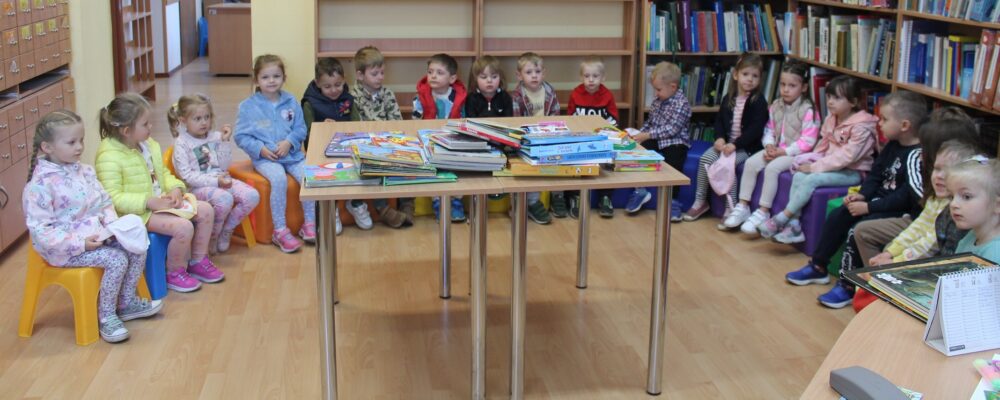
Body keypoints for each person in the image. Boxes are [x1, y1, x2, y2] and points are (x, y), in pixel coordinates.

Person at [25, 110, 162, 343]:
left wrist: (112, 226)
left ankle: (126, 303)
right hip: (65, 250)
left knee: (137, 245)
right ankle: (107, 316)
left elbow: (104, 201)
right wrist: (80, 243)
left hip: (97, 236)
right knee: (116, 259)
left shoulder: (84, 171)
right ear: (47, 147)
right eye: (71, 142)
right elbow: (42, 231)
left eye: (81, 140)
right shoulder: (39, 186)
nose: (79, 147)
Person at [783, 90, 928, 309]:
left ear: (905, 125)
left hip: (896, 210)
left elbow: (906, 197)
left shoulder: (918, 155)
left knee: (856, 230)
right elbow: (875, 174)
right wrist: (862, 194)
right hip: (875, 201)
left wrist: (868, 207)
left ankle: (848, 285)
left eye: (885, 119)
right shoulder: (893, 144)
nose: (879, 123)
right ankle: (818, 266)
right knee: (839, 214)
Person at [96, 93, 220, 292]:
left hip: (159, 204)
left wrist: (175, 189)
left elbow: (162, 174)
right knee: (183, 227)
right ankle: (174, 272)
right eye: (145, 124)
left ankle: (198, 260)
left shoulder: (148, 145)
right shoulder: (109, 156)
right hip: (136, 215)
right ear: (127, 131)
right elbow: (112, 198)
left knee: (206, 210)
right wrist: (147, 202)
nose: (151, 127)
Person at [722, 61, 818, 233]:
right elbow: (769, 130)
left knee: (772, 168)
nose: (786, 89)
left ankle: (763, 211)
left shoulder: (808, 110)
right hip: (776, 149)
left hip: (796, 155)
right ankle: (743, 206)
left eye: (792, 86)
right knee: (751, 163)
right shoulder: (776, 105)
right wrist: (769, 146)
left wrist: (784, 151)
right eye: (782, 84)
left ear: (804, 87)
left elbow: (808, 141)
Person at [234, 54, 316, 253]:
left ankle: (310, 223)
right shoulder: (248, 107)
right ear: (256, 80)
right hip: (266, 158)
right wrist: (260, 149)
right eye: (265, 77)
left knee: (309, 177)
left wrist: (289, 142)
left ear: (283, 78)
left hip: (292, 155)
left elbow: (301, 128)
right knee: (278, 180)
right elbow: (241, 136)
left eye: (276, 76)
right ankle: (280, 230)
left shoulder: (291, 101)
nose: (271, 81)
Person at [681, 53, 769, 223]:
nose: (750, 79)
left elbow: (755, 130)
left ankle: (731, 207)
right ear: (736, 75)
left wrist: (735, 145)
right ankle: (700, 201)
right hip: (727, 145)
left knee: (729, 165)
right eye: (745, 74)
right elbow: (719, 122)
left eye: (755, 76)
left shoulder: (759, 101)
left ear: (760, 79)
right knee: (705, 159)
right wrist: (720, 138)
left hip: (746, 148)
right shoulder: (728, 98)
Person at [169, 93, 261, 253]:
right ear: (183, 120)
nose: (204, 122)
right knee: (224, 199)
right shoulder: (182, 143)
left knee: (252, 196)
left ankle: (226, 229)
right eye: (197, 119)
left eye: (207, 117)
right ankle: (212, 236)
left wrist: (224, 142)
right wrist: (215, 182)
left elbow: (225, 166)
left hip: (221, 181)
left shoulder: (216, 137)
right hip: (197, 188)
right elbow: (187, 177)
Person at [348, 46, 409, 228]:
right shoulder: (353, 97)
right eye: (375, 74)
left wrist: (390, 139)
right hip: (365, 144)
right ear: (360, 75)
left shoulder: (387, 94)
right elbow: (355, 126)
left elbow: (396, 121)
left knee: (405, 157)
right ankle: (382, 208)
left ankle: (407, 203)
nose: (380, 77)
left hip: (387, 141)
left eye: (382, 73)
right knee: (372, 163)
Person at [624, 61, 692, 221]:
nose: (656, 93)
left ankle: (672, 201)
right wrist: (639, 134)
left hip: (675, 141)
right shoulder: (657, 101)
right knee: (638, 152)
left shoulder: (682, 104)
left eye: (659, 89)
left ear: (673, 87)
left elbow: (672, 129)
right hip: (655, 138)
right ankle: (640, 190)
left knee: (674, 163)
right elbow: (651, 122)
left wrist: (648, 135)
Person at [414, 53, 468, 222]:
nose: (433, 76)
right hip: (430, 142)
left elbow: (464, 121)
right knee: (433, 170)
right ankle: (438, 202)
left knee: (460, 169)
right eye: (430, 72)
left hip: (453, 141)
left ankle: (456, 202)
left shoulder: (459, 97)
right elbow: (415, 123)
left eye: (439, 72)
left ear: (452, 78)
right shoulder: (420, 97)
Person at [511, 52, 562, 224]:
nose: (534, 76)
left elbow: (555, 114)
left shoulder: (549, 91)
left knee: (561, 158)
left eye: (538, 72)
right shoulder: (517, 96)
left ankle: (558, 196)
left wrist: (552, 133)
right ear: (519, 75)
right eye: (529, 72)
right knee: (531, 165)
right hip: (528, 141)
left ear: (544, 73)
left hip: (549, 136)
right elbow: (517, 123)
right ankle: (531, 202)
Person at [566, 56, 619, 218]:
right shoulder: (575, 94)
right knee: (573, 160)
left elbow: (613, 121)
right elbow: (570, 119)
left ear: (603, 77)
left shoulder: (607, 95)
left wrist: (603, 135)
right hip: (581, 138)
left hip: (601, 138)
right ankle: (575, 197)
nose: (591, 80)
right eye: (587, 76)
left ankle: (605, 197)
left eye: (595, 76)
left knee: (608, 162)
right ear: (581, 77)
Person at [948, 156, 1000, 261]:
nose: (953, 204)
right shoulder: (971, 237)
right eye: (951, 196)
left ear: (997, 205)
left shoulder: (996, 253)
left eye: (966, 197)